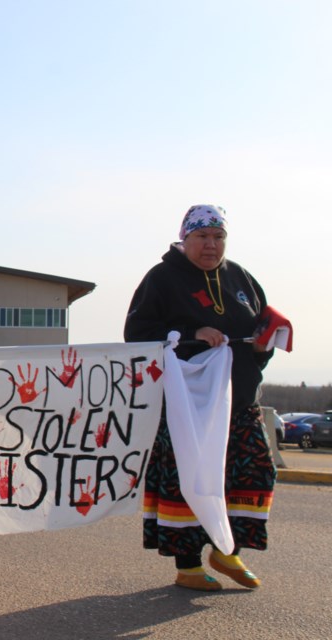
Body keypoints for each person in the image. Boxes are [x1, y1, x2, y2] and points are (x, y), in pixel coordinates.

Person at [124, 204, 276, 592]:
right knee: (185, 479)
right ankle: (188, 565)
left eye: (218, 237)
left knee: (254, 473)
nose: (211, 245)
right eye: (202, 237)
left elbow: (259, 325)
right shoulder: (162, 278)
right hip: (185, 406)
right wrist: (191, 330)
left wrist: (264, 345)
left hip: (237, 402)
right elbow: (137, 332)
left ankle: (227, 550)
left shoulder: (241, 278)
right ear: (185, 238)